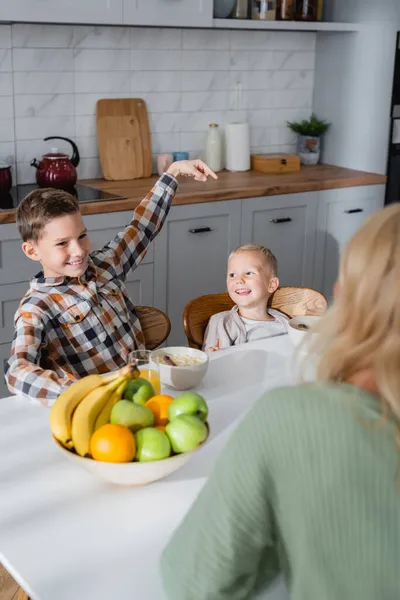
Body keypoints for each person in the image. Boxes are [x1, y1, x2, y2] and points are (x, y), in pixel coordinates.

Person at [161, 203, 400, 600]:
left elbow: (194, 583)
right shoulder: (226, 325)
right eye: (232, 274)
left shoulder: (289, 418)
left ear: (345, 294)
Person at [6, 160, 216, 404]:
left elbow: (141, 227)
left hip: (146, 391)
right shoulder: (36, 308)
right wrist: (83, 391)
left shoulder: (105, 265)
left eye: (82, 236)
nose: (79, 251)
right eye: (62, 243)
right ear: (32, 251)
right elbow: (17, 373)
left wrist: (173, 173)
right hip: (103, 407)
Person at [202, 244, 288, 351]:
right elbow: (206, 360)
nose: (239, 280)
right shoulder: (221, 323)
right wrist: (213, 355)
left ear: (271, 285)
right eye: (232, 275)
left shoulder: (285, 323)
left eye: (248, 273)